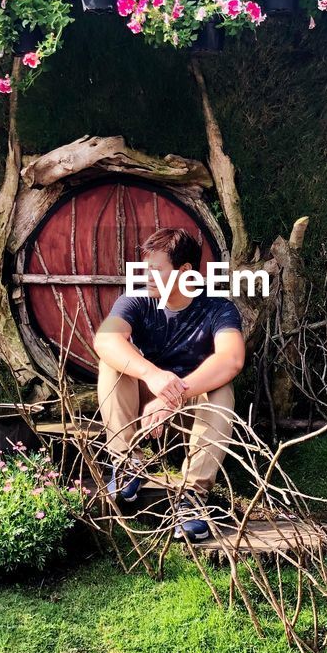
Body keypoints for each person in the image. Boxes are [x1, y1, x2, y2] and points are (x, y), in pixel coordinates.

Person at [93, 226, 245, 542]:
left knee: (221, 389)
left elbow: (231, 359)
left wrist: (173, 395)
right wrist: (152, 376)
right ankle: (127, 463)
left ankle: (192, 497)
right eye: (145, 267)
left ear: (185, 271)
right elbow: (105, 340)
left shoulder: (217, 307)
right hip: (144, 410)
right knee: (112, 362)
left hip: (192, 412)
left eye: (156, 269)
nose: (146, 275)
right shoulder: (136, 299)